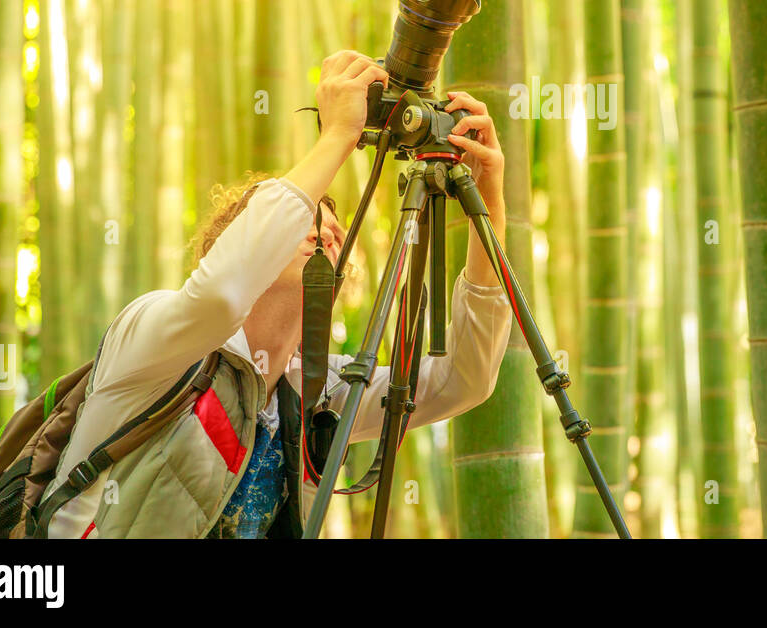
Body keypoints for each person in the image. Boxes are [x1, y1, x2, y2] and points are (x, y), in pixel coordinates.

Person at [41, 50, 511, 538]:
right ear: (243, 240)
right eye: (308, 221)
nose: (328, 233)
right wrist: (338, 136)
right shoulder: (160, 335)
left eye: (333, 229)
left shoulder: (313, 392)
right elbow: (221, 296)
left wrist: (489, 202)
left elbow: (462, 379)